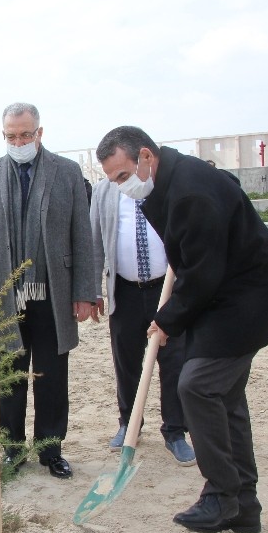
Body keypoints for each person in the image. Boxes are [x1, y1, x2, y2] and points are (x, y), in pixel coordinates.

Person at [96, 126, 268, 533]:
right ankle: (244, 505)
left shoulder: (190, 191)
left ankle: (222, 497)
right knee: (226, 397)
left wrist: (166, 320)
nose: (119, 187)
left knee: (197, 386)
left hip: (246, 302)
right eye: (112, 180)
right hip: (226, 300)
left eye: (121, 176)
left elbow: (203, 273)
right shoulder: (167, 182)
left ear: (145, 157)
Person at [0, 103, 97, 479]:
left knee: (53, 376)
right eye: (12, 136)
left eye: (26, 134)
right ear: (3, 134)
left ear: (40, 132)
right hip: (6, 294)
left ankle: (50, 450)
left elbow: (81, 236)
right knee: (9, 376)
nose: (19, 141)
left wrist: (85, 291)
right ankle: (12, 450)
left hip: (53, 292)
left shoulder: (67, 172)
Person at [89, 177, 196, 466]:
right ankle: (129, 424)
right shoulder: (104, 191)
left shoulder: (164, 185)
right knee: (126, 360)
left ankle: (175, 432)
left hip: (166, 288)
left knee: (173, 361)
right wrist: (93, 291)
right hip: (125, 290)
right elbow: (95, 241)